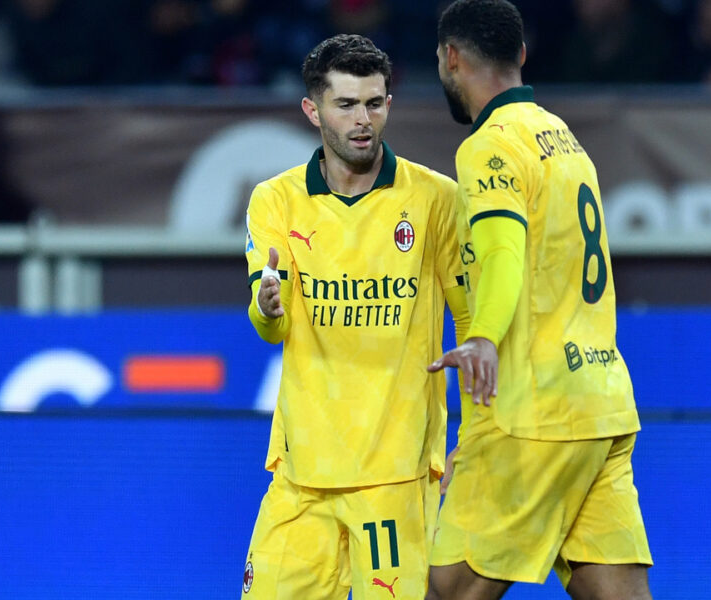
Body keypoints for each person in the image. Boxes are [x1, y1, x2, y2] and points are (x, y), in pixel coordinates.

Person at [426, 1, 653, 598]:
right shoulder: (564, 137)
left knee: (446, 591)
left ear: (451, 58)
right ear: (521, 55)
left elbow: (502, 253)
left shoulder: (489, 145)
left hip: (535, 411)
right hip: (601, 403)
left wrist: (483, 335)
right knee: (615, 591)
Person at [241, 34, 469, 599]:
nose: (363, 120)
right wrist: (267, 306)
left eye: (375, 102)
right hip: (301, 479)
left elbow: (474, 323)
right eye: (346, 105)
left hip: (395, 478)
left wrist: (482, 436)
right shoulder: (275, 201)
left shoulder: (436, 199)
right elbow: (271, 323)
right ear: (313, 110)